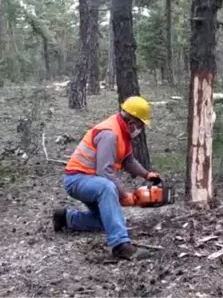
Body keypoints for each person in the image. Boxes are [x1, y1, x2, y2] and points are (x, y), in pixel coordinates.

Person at [52, 96, 162, 260]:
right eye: (140, 124)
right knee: (106, 187)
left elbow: (128, 160)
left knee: (108, 220)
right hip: (77, 179)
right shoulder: (110, 134)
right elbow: (104, 172)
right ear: (131, 120)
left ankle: (65, 218)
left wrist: (146, 174)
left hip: (89, 180)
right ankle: (120, 246)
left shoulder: (122, 132)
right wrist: (123, 196)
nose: (140, 129)